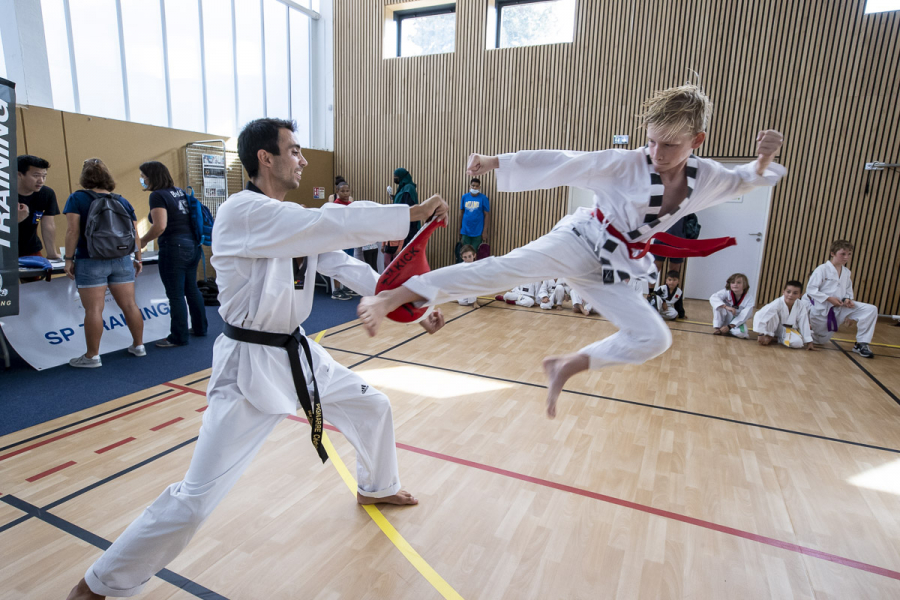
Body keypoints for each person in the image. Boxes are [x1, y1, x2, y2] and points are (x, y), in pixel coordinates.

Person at [66, 118, 449, 600]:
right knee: (196, 500)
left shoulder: (293, 221)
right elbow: (328, 221)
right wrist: (411, 212)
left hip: (297, 351)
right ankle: (100, 584)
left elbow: (351, 266)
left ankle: (376, 484)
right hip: (249, 367)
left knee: (373, 407)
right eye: (293, 151)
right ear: (264, 158)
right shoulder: (242, 212)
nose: (302, 160)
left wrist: (416, 310)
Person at [358, 83, 786, 418]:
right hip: (582, 238)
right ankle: (394, 295)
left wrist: (764, 160)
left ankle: (566, 365)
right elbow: (565, 160)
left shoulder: (707, 176)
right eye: (651, 141)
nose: (655, 152)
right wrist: (497, 162)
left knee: (654, 337)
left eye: (669, 145)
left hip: (619, 264)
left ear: (698, 140)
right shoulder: (626, 163)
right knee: (502, 271)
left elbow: (746, 178)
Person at [62, 159, 145, 368]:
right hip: (121, 259)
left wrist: (68, 259)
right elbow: (135, 232)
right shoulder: (122, 201)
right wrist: (138, 257)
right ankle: (139, 345)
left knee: (94, 310)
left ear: (84, 177)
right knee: (129, 305)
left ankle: (92, 356)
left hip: (90, 260)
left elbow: (72, 231)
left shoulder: (77, 198)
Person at [138, 161, 209, 347]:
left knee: (175, 294)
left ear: (151, 177)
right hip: (193, 246)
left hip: (173, 248)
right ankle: (200, 327)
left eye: (144, 177)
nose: (142, 180)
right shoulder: (180, 193)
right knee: (191, 289)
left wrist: (142, 241)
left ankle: (178, 336)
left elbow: (160, 226)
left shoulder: (157, 196)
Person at [803, 240, 877, 358]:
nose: (846, 257)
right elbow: (811, 290)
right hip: (822, 311)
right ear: (832, 253)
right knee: (819, 340)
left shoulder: (846, 272)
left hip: (840, 308)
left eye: (849, 254)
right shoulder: (821, 270)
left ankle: (862, 344)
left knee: (870, 309)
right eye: (843, 254)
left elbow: (848, 289)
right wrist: (828, 298)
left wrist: (848, 299)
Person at [17, 155, 61, 259]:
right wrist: (15, 220)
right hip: (4, 250)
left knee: (38, 272)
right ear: (19, 174)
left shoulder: (46, 194)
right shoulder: (4, 194)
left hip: (31, 249)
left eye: (44, 176)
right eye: (36, 175)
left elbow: (48, 225)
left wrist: (52, 253)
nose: (41, 180)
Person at [754, 280, 814, 350]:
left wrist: (809, 342)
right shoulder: (777, 303)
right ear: (783, 292)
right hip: (772, 329)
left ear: (800, 295)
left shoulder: (801, 305)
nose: (791, 295)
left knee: (798, 343)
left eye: (795, 293)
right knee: (772, 314)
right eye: (788, 292)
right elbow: (759, 315)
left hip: (788, 330)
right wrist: (761, 333)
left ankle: (777, 339)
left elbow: (804, 322)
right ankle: (769, 336)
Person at [382, 168, 420, 266]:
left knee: (405, 254)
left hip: (409, 226)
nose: (395, 179)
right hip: (402, 224)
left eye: (396, 177)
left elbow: (407, 205)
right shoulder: (403, 188)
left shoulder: (409, 188)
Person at [327, 176, 357, 300]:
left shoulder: (351, 205)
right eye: (342, 191)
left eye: (347, 191)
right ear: (337, 192)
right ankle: (337, 290)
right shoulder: (334, 205)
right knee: (338, 263)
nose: (345, 193)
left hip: (349, 239)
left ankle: (345, 286)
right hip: (339, 240)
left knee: (348, 263)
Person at [710, 273, 754, 338]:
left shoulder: (749, 298)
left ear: (744, 285)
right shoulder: (726, 292)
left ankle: (727, 330)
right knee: (718, 307)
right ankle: (718, 328)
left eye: (738, 282)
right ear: (730, 284)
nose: (735, 284)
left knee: (742, 334)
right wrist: (726, 307)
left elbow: (745, 315)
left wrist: (729, 326)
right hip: (726, 316)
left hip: (737, 320)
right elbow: (713, 298)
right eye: (732, 282)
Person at [459, 177, 491, 252]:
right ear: (470, 186)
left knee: (475, 253)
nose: (474, 187)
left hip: (478, 231)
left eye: (477, 186)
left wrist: (485, 231)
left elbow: (487, 215)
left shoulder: (483, 198)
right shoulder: (464, 197)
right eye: (473, 185)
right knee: (465, 253)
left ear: (479, 187)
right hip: (465, 231)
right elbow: (461, 213)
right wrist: (459, 229)